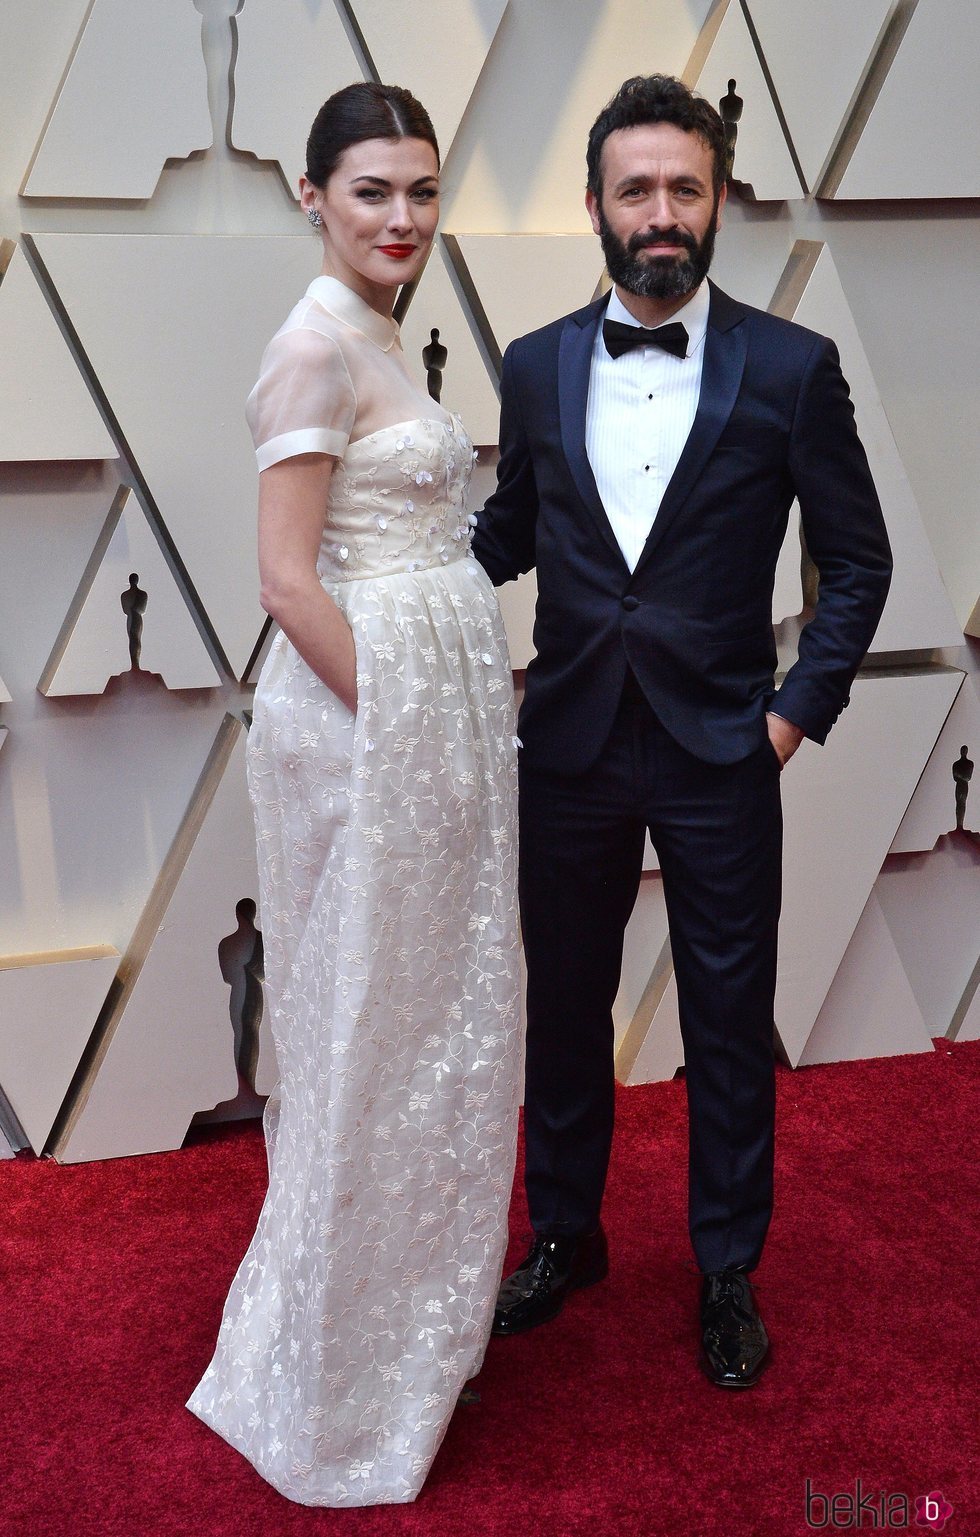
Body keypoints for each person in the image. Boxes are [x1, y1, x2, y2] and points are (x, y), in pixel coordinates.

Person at [472, 75, 892, 1389]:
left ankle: (726, 1268)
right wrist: (394, 552)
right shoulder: (534, 365)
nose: (661, 212)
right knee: (564, 1006)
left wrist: (788, 719)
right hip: (574, 737)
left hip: (725, 746)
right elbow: (507, 534)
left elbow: (858, 563)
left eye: (684, 188)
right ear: (596, 204)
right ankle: (564, 1234)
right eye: (636, 188)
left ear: (718, 201)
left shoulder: (793, 367)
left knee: (725, 1012)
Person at [187, 82, 521, 1504]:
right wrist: (409, 728)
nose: (402, 218)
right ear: (311, 195)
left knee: (405, 1029)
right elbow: (283, 578)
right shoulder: (309, 348)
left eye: (421, 191)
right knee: (366, 1035)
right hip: (365, 733)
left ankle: (391, 1329)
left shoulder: (372, 329)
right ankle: (336, 1367)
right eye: (372, 190)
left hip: (411, 728)